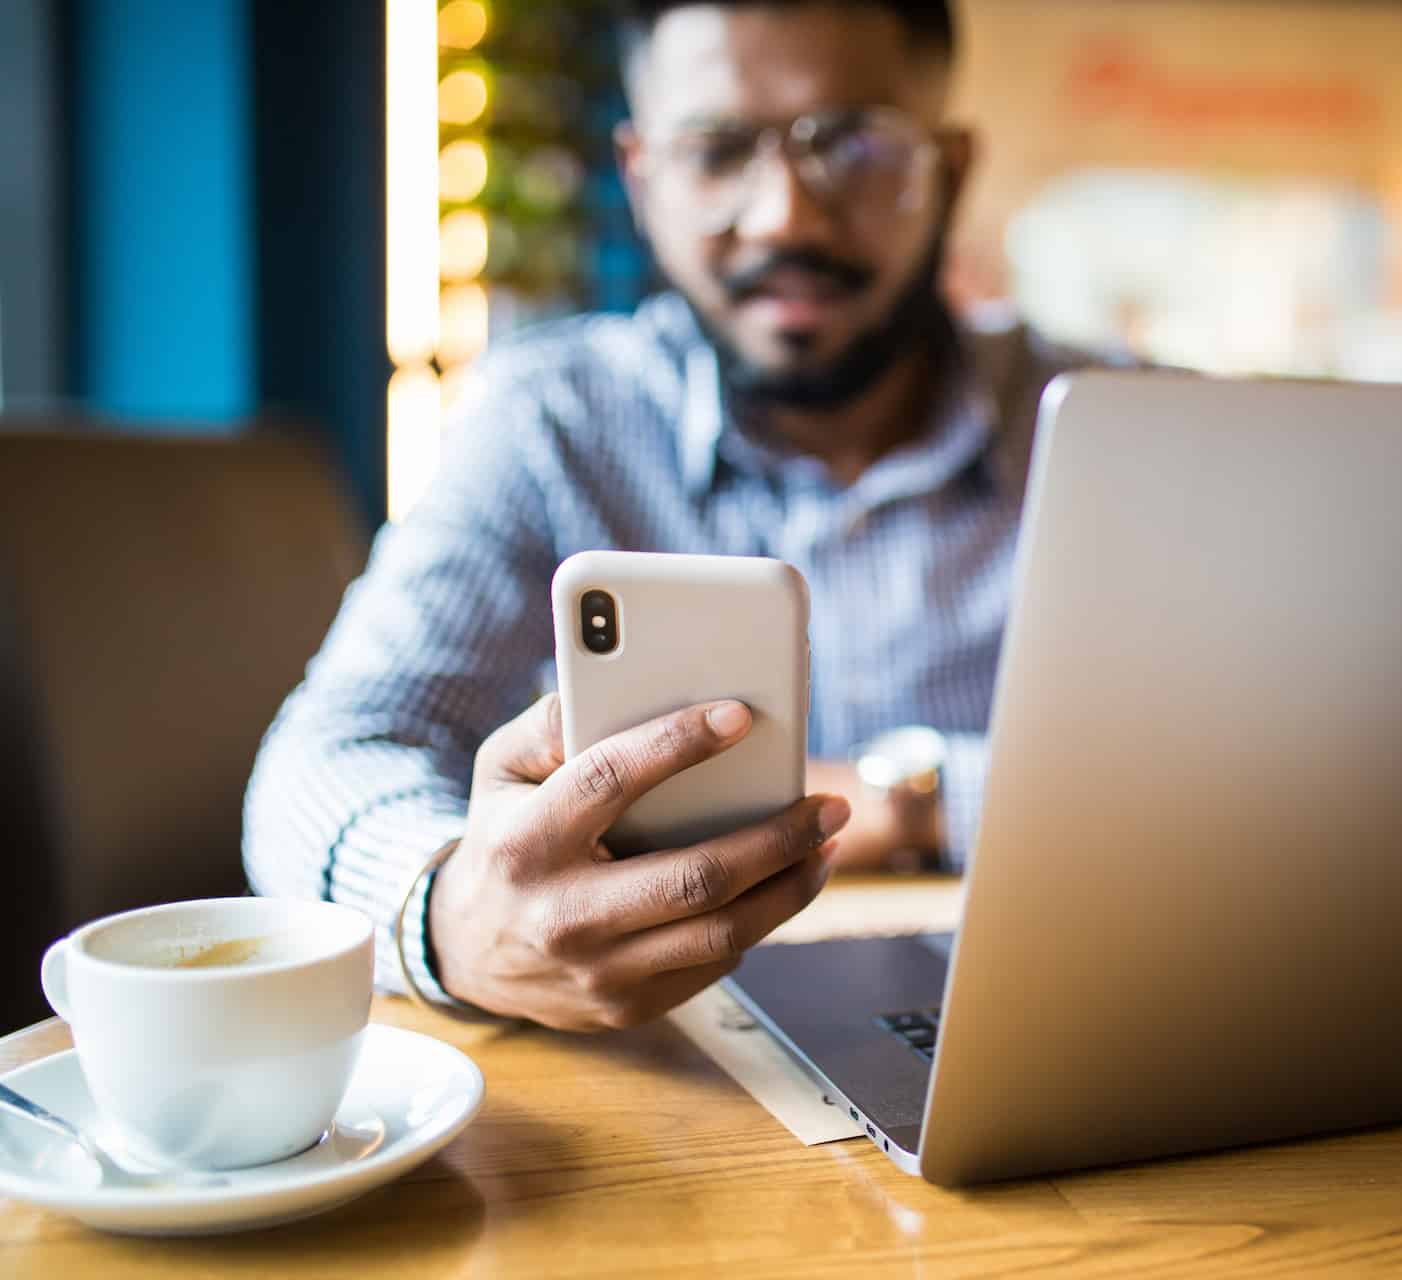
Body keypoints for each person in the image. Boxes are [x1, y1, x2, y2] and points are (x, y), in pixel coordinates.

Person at [243, 0, 1082, 1030]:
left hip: (1035, 1019)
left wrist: (902, 797)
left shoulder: (1127, 430)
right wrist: (449, 913)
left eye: (853, 144)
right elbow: (324, 756)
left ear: (947, 171)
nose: (785, 216)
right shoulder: (551, 418)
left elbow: (1275, 771)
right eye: (716, 148)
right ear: (642, 177)